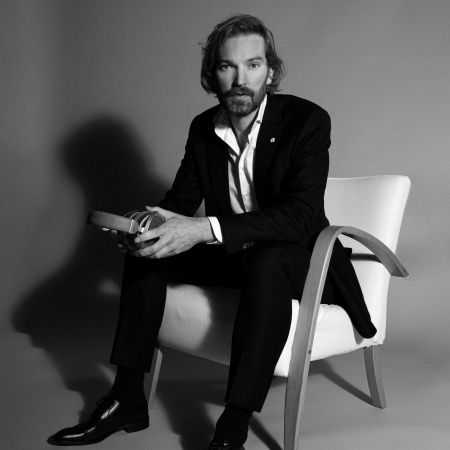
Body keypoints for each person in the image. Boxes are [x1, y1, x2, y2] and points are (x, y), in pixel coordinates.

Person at [48, 14, 377, 450]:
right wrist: (146, 225)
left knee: (268, 260)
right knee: (150, 251)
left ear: (270, 71)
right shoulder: (204, 129)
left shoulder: (307, 121)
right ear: (212, 74)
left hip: (302, 260)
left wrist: (204, 228)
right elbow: (180, 203)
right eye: (227, 66)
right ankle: (127, 398)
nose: (241, 79)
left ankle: (233, 423)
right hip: (235, 255)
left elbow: (299, 216)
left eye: (253, 65)